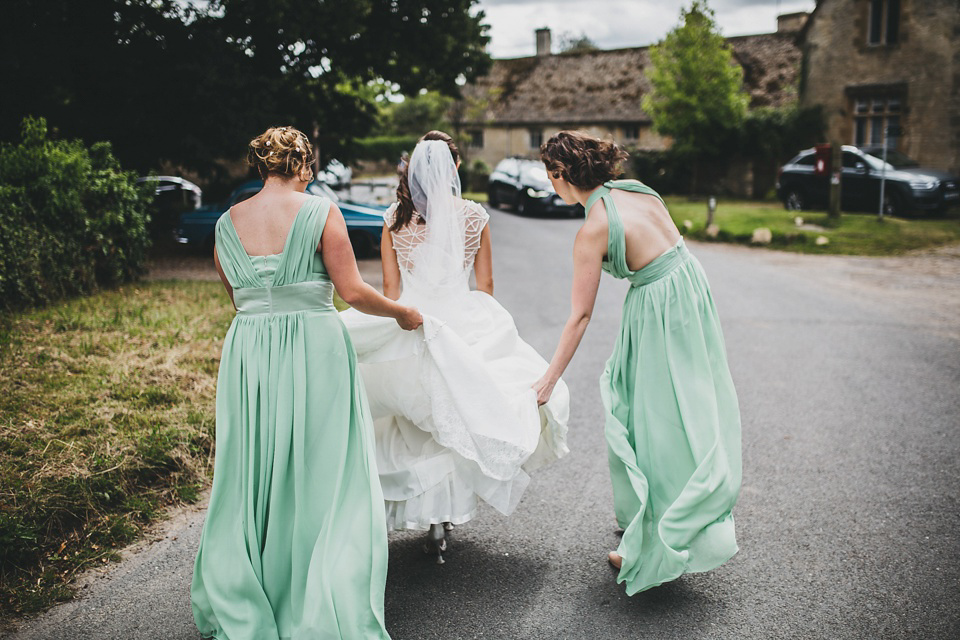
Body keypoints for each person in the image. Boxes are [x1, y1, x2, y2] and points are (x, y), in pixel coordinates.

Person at [191, 126, 422, 639]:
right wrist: (402, 313)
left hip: (250, 349)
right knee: (322, 465)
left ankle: (252, 584)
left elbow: (237, 295)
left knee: (256, 463)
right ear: (303, 165)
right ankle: (317, 587)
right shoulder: (320, 211)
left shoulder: (228, 223)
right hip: (314, 345)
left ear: (260, 166)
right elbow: (352, 291)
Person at [341, 131, 569, 562]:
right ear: (456, 169)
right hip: (462, 322)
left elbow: (390, 289)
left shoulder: (393, 218)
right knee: (459, 418)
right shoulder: (474, 217)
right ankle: (441, 521)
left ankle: (430, 519)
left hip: (412, 324)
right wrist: (485, 320)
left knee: (418, 428)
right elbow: (486, 284)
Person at [532, 131, 741, 595]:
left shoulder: (593, 229)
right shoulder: (637, 190)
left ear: (562, 174)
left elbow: (580, 316)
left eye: (550, 176)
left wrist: (548, 380)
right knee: (690, 403)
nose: (550, 185)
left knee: (653, 421)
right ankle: (650, 518)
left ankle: (658, 537)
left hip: (659, 307)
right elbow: (669, 247)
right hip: (689, 287)